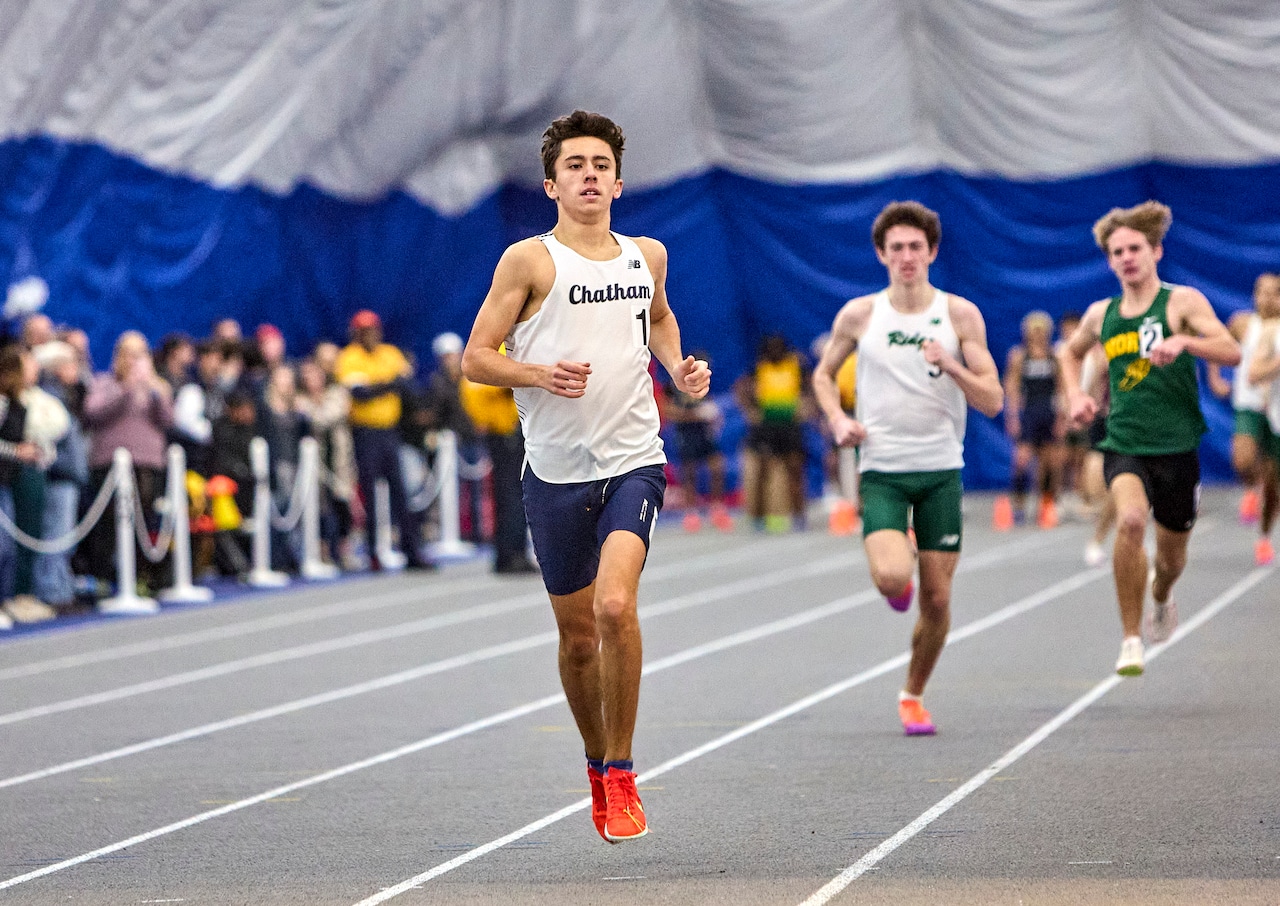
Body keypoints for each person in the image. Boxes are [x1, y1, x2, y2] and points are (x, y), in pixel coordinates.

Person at [461, 110, 710, 843]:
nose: (589, 175)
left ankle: (626, 772)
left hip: (634, 459)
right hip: (555, 473)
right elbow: (476, 358)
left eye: (600, 164)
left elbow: (659, 318)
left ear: (620, 182)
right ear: (552, 183)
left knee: (612, 607)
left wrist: (679, 366)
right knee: (576, 641)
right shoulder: (528, 262)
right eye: (575, 165)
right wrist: (538, 372)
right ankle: (597, 763)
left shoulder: (647, 256)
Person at [812, 200, 1003, 736]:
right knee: (895, 577)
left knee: (939, 598)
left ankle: (913, 695)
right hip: (883, 469)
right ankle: (899, 574)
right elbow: (823, 376)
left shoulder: (959, 315)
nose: (906, 256)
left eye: (915, 246)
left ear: (932, 251)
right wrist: (837, 419)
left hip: (941, 468)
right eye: (896, 247)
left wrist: (952, 365)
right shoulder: (861, 314)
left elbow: (992, 399)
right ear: (881, 254)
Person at [1059, 201, 1239, 677]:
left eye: (1135, 248)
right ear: (1109, 261)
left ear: (1156, 250)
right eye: (1117, 252)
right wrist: (1076, 394)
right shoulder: (1102, 315)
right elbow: (1068, 354)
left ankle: (1161, 594)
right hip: (1125, 441)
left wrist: (1186, 343)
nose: (1127, 258)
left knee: (1173, 557)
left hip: (1178, 446)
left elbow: (1231, 350)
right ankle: (1130, 638)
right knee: (1132, 521)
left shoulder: (1183, 303)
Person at [334, 310, 433, 571]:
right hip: (365, 432)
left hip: (390, 431)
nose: (370, 336)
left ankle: (411, 551)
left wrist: (385, 386)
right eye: (364, 332)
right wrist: (391, 384)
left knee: (400, 493)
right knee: (369, 494)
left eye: (373, 330)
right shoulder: (349, 358)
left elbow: (408, 387)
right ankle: (373, 553)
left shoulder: (389, 353)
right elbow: (361, 394)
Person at [1208, 273, 1280, 564]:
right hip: (1249, 403)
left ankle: (1264, 537)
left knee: (1274, 486)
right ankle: (1251, 487)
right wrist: (1215, 377)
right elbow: (1217, 344)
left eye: (1274, 293)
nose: (1267, 298)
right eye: (1261, 292)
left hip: (1277, 409)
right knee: (1243, 459)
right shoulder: (1243, 323)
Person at [735, 334, 811, 533]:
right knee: (762, 472)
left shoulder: (796, 365)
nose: (776, 351)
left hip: (790, 426)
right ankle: (758, 518)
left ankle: (799, 516)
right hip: (766, 428)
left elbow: (809, 387)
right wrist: (750, 410)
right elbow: (741, 388)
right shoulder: (759, 367)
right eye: (772, 348)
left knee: (795, 470)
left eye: (779, 347)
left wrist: (807, 407)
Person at [1000, 310, 1064, 528]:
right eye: (1033, 331)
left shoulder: (1054, 355)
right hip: (1028, 413)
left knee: (1050, 464)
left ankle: (1046, 506)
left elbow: (1062, 388)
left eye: (1041, 331)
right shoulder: (1019, 356)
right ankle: (1018, 505)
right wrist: (1012, 417)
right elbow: (1012, 387)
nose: (1037, 335)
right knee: (1022, 460)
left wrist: (1062, 419)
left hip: (1049, 412)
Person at [659, 350, 731, 533]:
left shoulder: (705, 382)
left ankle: (717, 508)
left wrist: (713, 415)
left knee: (717, 467)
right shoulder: (674, 383)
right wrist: (695, 415)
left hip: (705, 432)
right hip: (687, 433)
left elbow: (711, 404)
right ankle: (691, 513)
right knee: (689, 471)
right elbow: (668, 410)